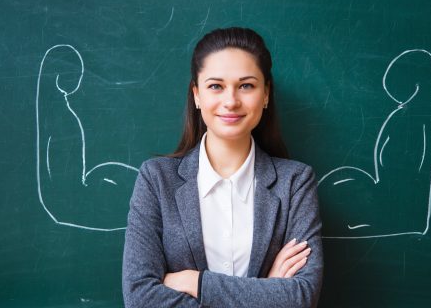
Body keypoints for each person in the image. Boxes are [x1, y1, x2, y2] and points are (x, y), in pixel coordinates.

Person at [122, 27, 323, 307]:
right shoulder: (156, 180)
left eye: (246, 86)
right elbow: (140, 297)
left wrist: (196, 282)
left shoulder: (295, 182)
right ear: (196, 95)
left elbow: (301, 297)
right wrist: (265, 290)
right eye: (216, 86)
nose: (231, 101)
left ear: (266, 94)